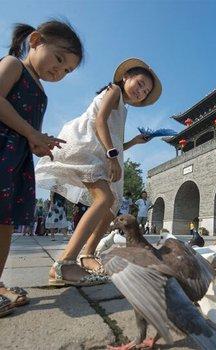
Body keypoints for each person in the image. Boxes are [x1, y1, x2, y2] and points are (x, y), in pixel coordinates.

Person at [35, 58, 162, 285]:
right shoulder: (113, 90)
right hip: (88, 146)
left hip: (102, 151)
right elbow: (99, 121)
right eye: (140, 83)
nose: (142, 91)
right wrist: (113, 156)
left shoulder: (123, 107)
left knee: (111, 208)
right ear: (126, 78)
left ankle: (87, 255)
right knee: (104, 199)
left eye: (146, 90)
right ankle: (64, 263)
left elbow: (113, 140)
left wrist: (132, 142)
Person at [0, 20, 83, 317]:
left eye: (66, 71)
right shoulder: (12, 65)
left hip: (16, 159)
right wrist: (31, 133)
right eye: (59, 60)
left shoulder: (43, 93)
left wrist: (39, 141)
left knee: (5, 222)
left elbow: (27, 130)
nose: (59, 72)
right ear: (35, 40)